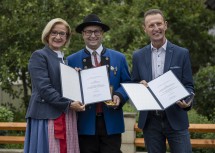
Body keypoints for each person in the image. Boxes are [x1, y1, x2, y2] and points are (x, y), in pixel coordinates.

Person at [131, 9, 194, 153]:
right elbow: (134, 83)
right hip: (150, 121)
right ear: (145, 29)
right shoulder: (138, 56)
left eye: (159, 24)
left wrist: (188, 100)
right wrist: (139, 87)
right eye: (151, 25)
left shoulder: (182, 53)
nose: (156, 28)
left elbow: (189, 85)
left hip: (176, 117)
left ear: (165, 25)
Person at [67, 14, 131, 153]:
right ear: (83, 35)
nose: (93, 35)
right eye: (88, 32)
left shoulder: (119, 58)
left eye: (96, 31)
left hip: (111, 121)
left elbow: (127, 83)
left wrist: (119, 95)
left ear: (102, 34)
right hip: (85, 122)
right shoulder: (71, 60)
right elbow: (68, 90)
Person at [24, 18, 85, 153]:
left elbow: (63, 86)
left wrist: (76, 77)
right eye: (54, 32)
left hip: (65, 113)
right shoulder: (39, 55)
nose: (58, 37)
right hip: (47, 116)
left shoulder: (64, 59)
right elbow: (44, 88)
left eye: (62, 33)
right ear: (47, 34)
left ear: (67, 37)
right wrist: (69, 104)